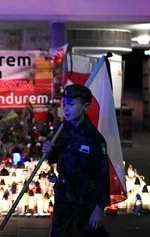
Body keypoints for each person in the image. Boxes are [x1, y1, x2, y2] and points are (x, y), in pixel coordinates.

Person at [42, 84, 110, 237]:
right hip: (63, 195)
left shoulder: (94, 138)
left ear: (85, 107)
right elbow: (54, 158)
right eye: (64, 104)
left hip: (85, 198)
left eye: (71, 105)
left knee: (90, 233)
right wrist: (48, 150)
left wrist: (99, 208)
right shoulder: (62, 129)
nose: (66, 109)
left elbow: (102, 174)